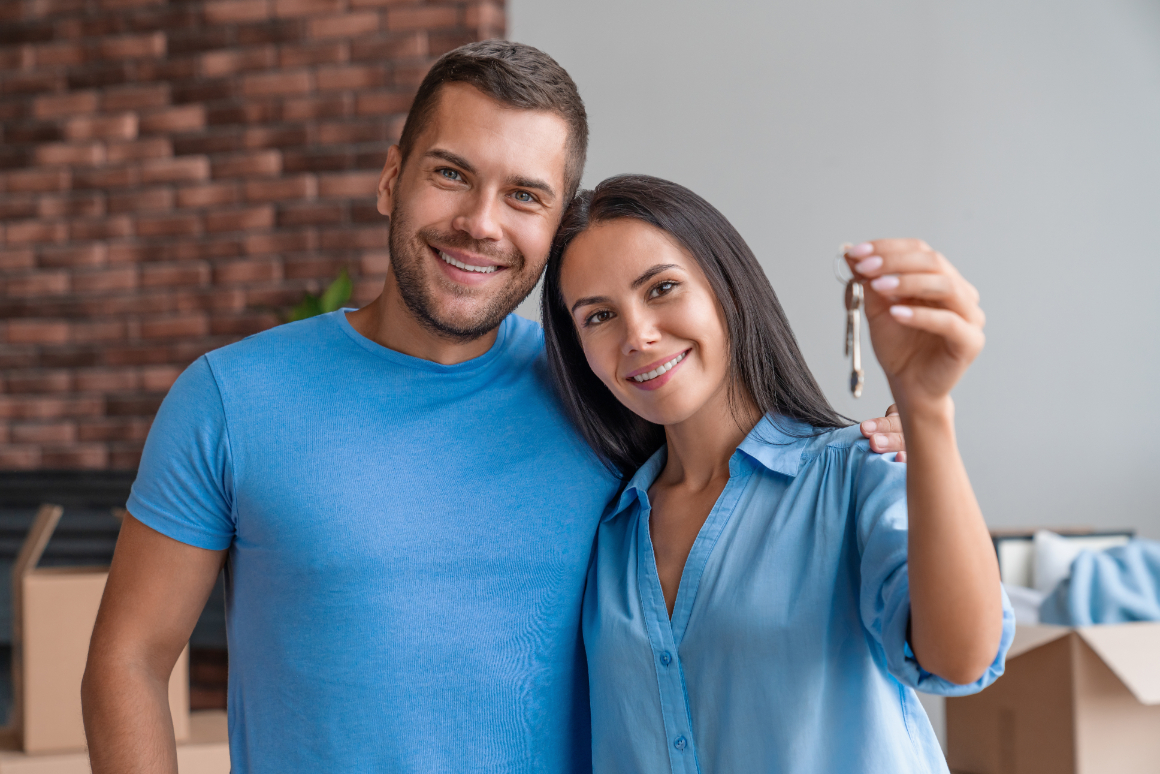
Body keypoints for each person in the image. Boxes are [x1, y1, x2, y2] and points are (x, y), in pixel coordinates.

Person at [81, 43, 908, 773]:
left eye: (525, 196)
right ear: (389, 177)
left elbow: (753, 505)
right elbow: (129, 659)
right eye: (451, 173)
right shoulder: (231, 398)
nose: (480, 223)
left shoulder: (604, 394)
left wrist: (903, 447)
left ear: (557, 228)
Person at [541, 175, 1014, 772]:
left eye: (662, 288)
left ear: (728, 291)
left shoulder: (854, 474)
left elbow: (960, 660)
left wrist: (927, 411)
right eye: (599, 316)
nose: (638, 335)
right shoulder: (608, 531)